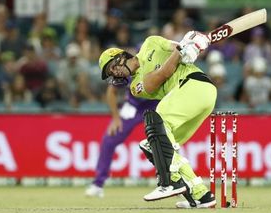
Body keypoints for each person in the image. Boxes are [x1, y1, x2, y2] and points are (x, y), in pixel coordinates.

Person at [98, 31, 217, 208]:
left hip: (195, 85)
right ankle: (201, 195)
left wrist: (191, 45)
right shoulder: (135, 87)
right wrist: (182, 50)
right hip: (194, 94)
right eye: (111, 73)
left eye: (113, 67)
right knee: (152, 145)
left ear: (121, 56)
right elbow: (163, 73)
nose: (115, 73)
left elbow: (177, 47)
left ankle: (169, 182)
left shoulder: (150, 42)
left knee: (156, 120)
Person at [85, 84, 158, 198]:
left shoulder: (158, 66)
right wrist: (116, 118)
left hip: (157, 104)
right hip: (133, 106)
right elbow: (111, 90)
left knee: (167, 141)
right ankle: (98, 184)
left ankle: (176, 183)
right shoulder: (127, 68)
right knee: (109, 140)